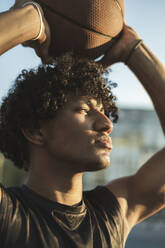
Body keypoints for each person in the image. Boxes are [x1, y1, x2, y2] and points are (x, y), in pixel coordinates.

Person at [0, 1, 165, 248]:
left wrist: (132, 48)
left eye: (104, 111)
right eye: (84, 110)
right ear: (36, 131)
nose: (106, 124)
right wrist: (29, 20)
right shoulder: (8, 216)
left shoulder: (112, 214)